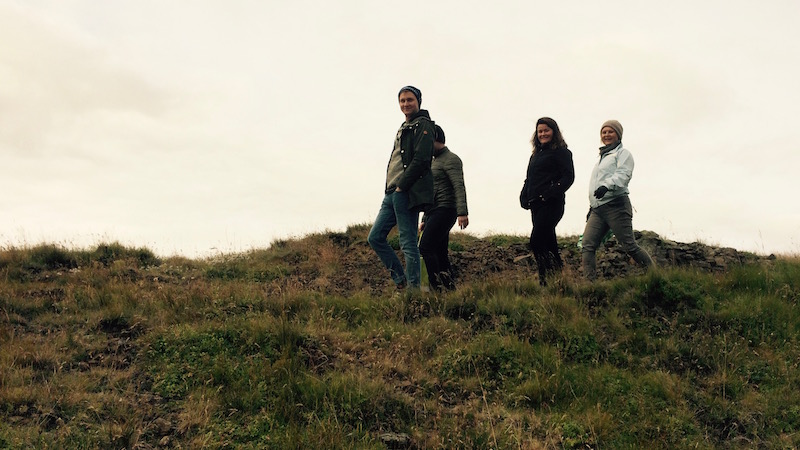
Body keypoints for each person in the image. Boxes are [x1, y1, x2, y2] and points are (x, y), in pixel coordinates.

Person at [367, 86, 435, 291]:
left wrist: (401, 186)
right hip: (391, 193)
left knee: (408, 242)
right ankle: (401, 281)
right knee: (375, 237)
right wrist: (391, 188)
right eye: (402, 101)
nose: (405, 104)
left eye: (409, 100)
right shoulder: (403, 127)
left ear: (418, 101)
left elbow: (422, 159)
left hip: (404, 191)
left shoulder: (424, 125)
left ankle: (413, 292)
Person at [581, 119, 654, 280]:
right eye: (604, 132)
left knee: (630, 246)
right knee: (587, 245)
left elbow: (624, 174)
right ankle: (589, 284)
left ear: (618, 135)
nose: (606, 135)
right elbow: (596, 184)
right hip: (598, 209)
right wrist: (591, 207)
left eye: (610, 131)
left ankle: (654, 276)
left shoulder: (623, 154)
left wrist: (607, 186)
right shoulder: (602, 157)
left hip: (617, 205)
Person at [519, 117, 575, 286]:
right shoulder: (535, 155)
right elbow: (529, 179)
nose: (543, 134)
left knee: (536, 241)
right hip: (536, 204)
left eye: (546, 130)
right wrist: (524, 195)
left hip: (552, 204)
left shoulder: (562, 152)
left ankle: (545, 280)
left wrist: (550, 192)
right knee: (549, 242)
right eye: (540, 131)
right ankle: (559, 279)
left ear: (554, 132)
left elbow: (568, 177)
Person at [419, 125, 469, 292]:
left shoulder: (451, 159)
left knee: (425, 246)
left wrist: (462, 212)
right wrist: (425, 219)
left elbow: (458, 186)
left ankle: (436, 288)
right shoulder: (434, 161)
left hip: (446, 209)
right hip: (434, 210)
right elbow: (430, 192)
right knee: (439, 251)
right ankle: (449, 289)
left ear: (436, 139)